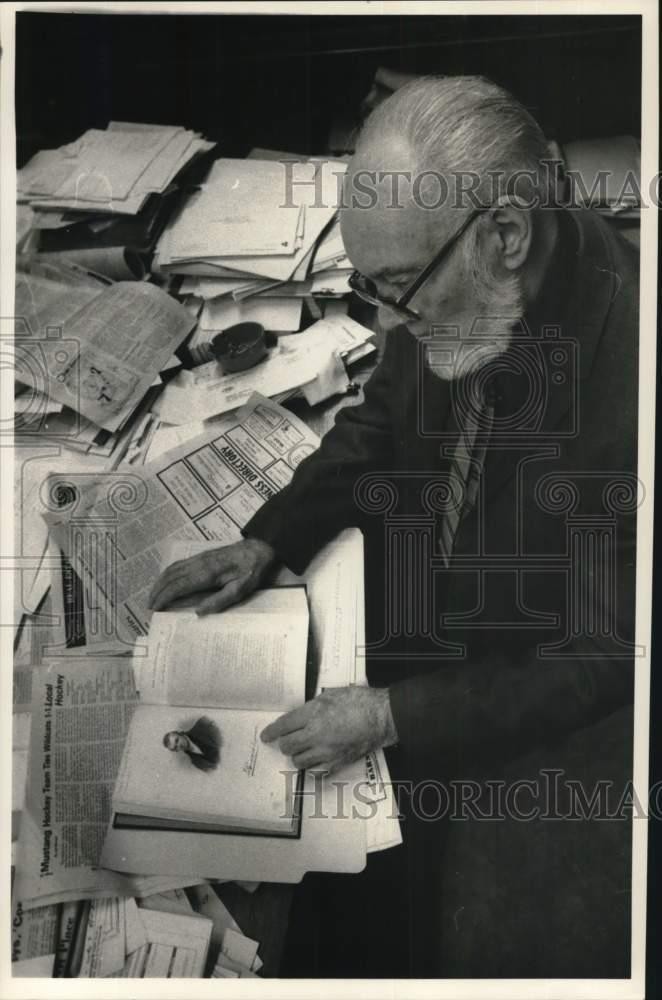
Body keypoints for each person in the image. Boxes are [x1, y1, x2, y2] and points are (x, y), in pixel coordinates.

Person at [149, 76, 638, 978]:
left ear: (505, 236)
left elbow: (602, 659)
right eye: (371, 289)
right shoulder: (454, 271)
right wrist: (275, 533)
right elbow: (381, 423)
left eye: (400, 290)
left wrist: (388, 714)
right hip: (416, 599)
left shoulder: (630, 384)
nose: (389, 320)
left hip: (516, 695)